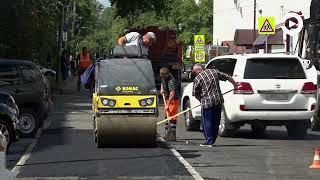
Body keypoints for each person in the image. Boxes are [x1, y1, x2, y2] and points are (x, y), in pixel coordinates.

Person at [192, 63, 238, 147]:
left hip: (207, 102)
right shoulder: (214, 72)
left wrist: (200, 100)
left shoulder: (198, 78)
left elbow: (195, 93)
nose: (195, 74)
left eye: (195, 72)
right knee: (216, 121)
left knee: (207, 122)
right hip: (218, 100)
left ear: (199, 69)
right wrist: (235, 85)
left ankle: (209, 141)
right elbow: (228, 77)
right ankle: (212, 140)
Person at [160, 67, 179, 141]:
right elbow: (162, 81)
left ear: (167, 74)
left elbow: (172, 93)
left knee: (172, 116)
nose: (162, 77)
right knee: (166, 116)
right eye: (161, 76)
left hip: (173, 100)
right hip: (167, 98)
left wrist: (168, 104)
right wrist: (162, 89)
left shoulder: (171, 81)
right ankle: (167, 133)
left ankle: (172, 135)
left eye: (164, 76)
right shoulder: (163, 76)